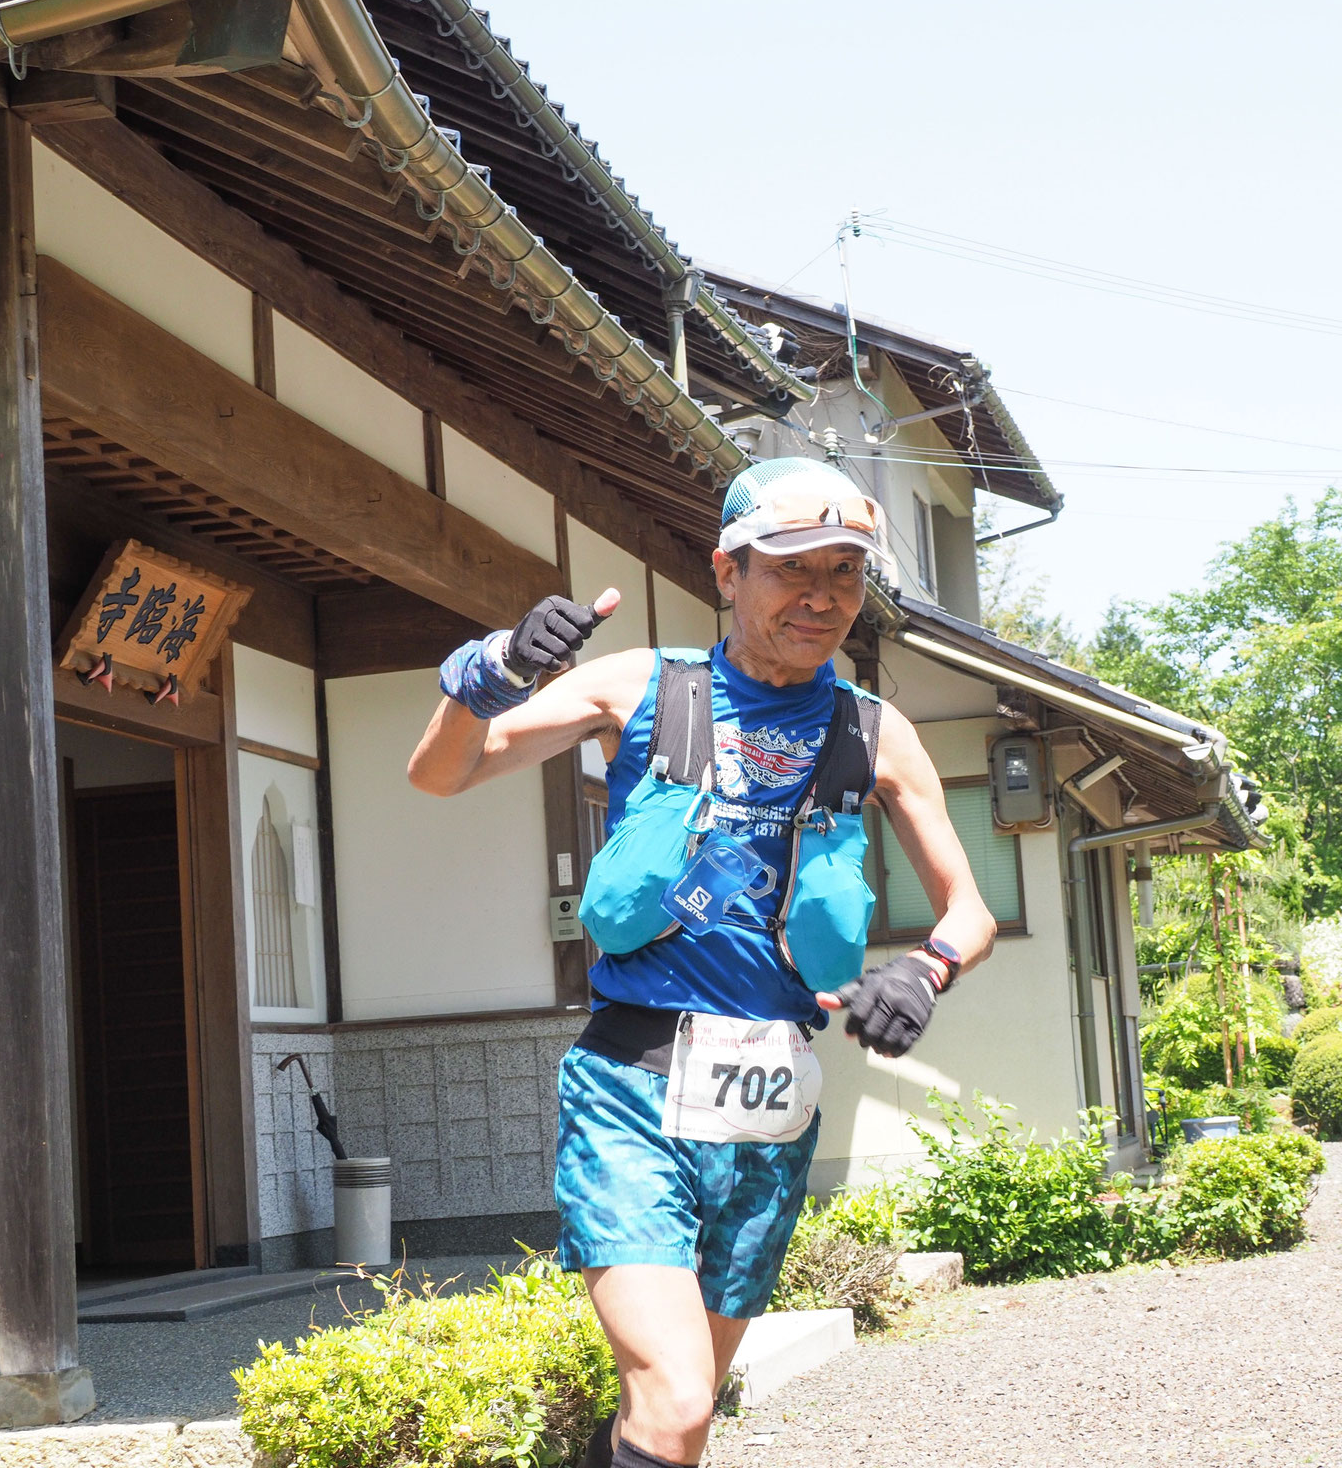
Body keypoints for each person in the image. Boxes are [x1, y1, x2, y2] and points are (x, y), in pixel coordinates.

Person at [408, 456, 997, 1468]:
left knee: (680, 1416)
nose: (820, 596)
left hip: (768, 1112)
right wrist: (492, 667)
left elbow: (969, 909)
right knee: (675, 1402)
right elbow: (442, 772)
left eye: (844, 575)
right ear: (726, 571)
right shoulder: (644, 683)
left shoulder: (871, 729)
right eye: (790, 568)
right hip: (632, 1090)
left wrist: (925, 970)